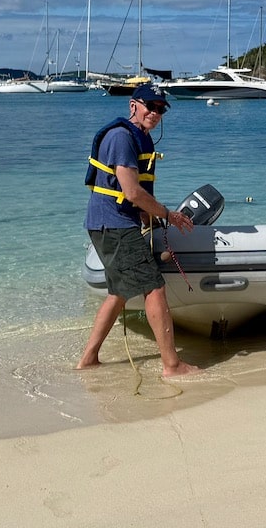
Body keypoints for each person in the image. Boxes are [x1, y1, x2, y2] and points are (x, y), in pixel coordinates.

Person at [77, 83, 201, 377]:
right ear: (133, 105)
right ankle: (172, 365)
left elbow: (138, 194)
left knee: (119, 292)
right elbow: (132, 192)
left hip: (108, 224)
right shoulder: (121, 137)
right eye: (150, 106)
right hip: (115, 226)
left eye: (160, 109)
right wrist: (168, 215)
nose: (155, 113)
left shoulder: (141, 139)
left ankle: (89, 358)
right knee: (153, 287)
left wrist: (150, 222)